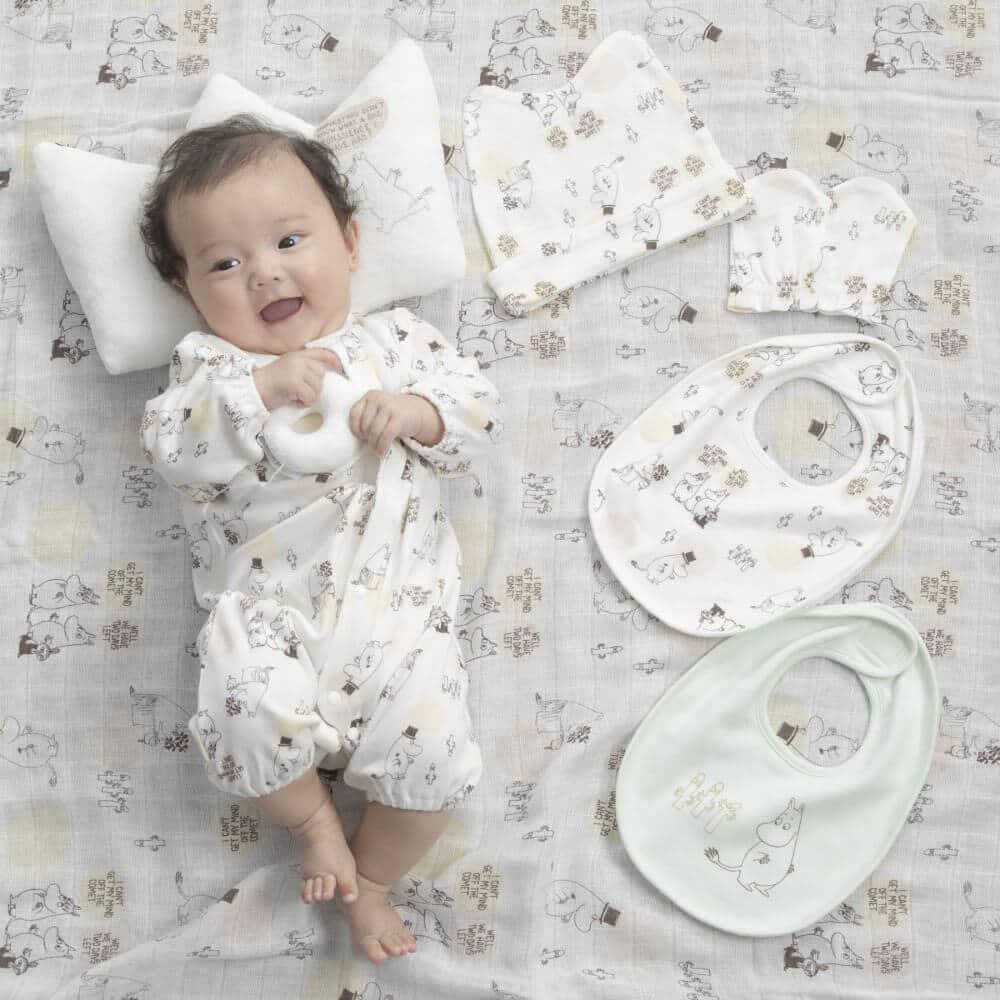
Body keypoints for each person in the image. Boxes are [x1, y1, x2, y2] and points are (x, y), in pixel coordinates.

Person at [138, 114, 502, 963]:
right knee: (238, 701)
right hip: (271, 612)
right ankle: (312, 823)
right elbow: (172, 449)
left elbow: (478, 415)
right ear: (188, 290)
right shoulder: (211, 371)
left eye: (289, 240)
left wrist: (416, 413)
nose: (264, 272)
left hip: (400, 619)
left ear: (349, 242)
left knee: (434, 750)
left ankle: (372, 880)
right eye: (223, 264)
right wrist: (259, 392)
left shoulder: (393, 342)